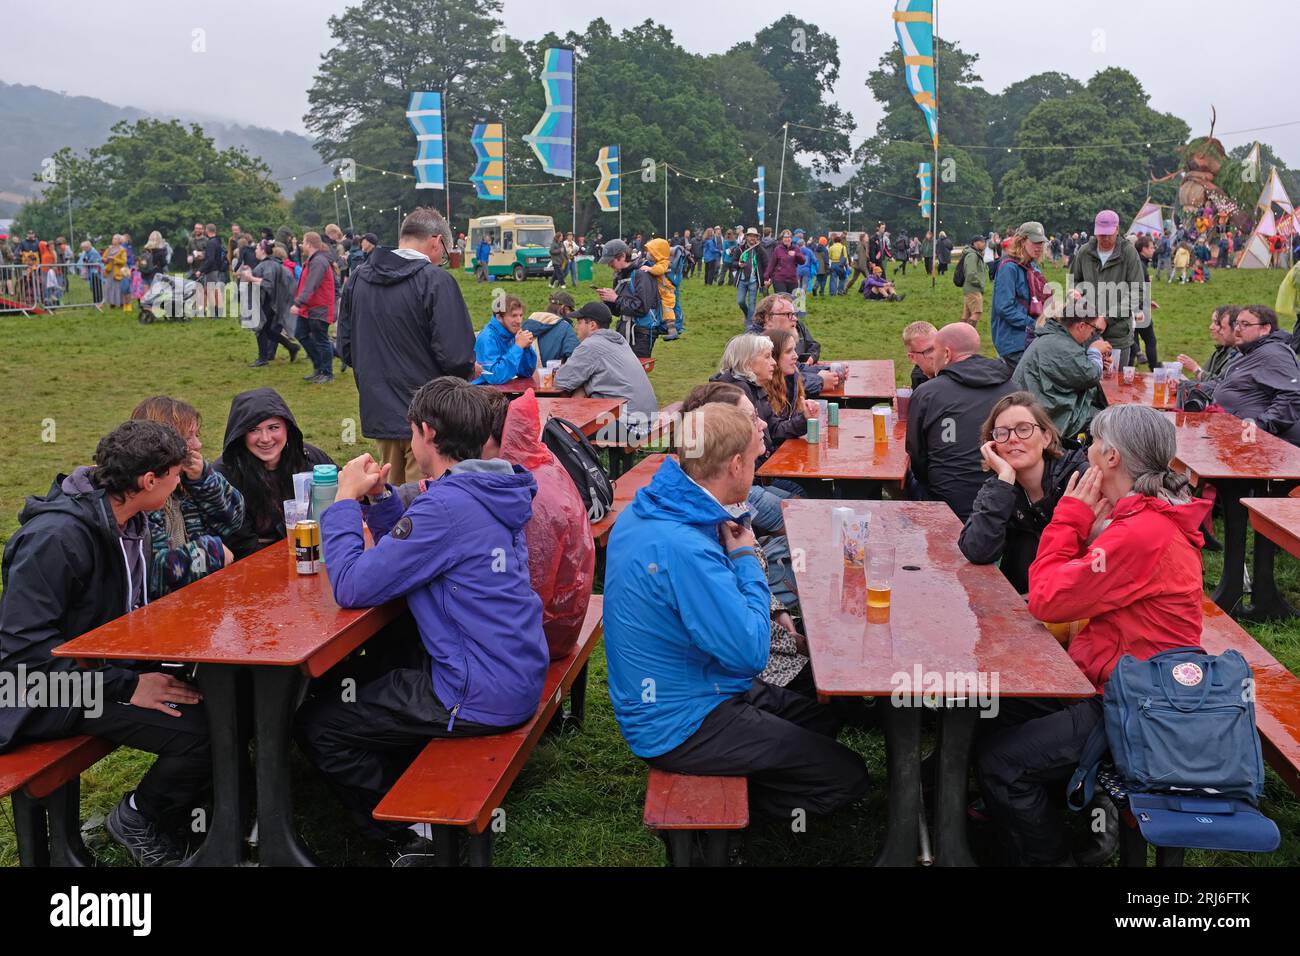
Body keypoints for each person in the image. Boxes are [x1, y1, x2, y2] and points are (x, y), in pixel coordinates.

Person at [297, 378, 548, 865]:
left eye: (412, 432)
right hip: (513, 672)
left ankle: (410, 838)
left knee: (321, 723)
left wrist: (345, 502)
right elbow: (419, 553)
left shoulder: (448, 505)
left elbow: (350, 585)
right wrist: (383, 499)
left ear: (427, 433)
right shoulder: (489, 485)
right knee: (374, 671)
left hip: (477, 694)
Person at [603, 400, 871, 820]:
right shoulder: (684, 546)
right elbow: (750, 653)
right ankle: (713, 822)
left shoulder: (654, 507)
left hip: (696, 685)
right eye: (752, 459)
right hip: (679, 721)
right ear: (733, 465)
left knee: (821, 719)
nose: (756, 466)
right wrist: (745, 561)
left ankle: (748, 779)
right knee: (848, 776)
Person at [977, 405, 1210, 866]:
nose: (1086, 453)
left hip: (1139, 706)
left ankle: (1054, 856)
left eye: (1093, 444)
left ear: (1113, 458)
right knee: (997, 707)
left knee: (1001, 764)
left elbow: (1047, 599)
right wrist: (1091, 530)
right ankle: (1057, 819)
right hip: (1123, 683)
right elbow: (1082, 586)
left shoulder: (1141, 531)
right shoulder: (1141, 517)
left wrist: (1070, 517)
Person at [0, 420, 211, 866]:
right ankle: (139, 818)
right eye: (175, 475)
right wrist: (127, 686)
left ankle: (193, 816)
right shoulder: (54, 540)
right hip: (43, 693)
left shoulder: (127, 517)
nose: (178, 485)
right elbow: (24, 662)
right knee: (206, 734)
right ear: (148, 480)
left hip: (99, 672)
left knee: (223, 702)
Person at [338, 208, 474, 484]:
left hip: (381, 410)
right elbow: (456, 356)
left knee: (391, 499)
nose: (442, 261)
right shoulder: (437, 281)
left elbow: (346, 348)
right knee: (424, 501)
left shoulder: (357, 279)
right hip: (429, 419)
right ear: (436, 242)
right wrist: (471, 369)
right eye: (445, 255)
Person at [479, 389, 594, 659]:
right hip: (563, 614)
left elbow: (528, 591)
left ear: (487, 438)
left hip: (548, 634)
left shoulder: (524, 491)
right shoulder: (536, 460)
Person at [958, 392, 1088, 594]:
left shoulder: (1078, 477)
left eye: (1023, 429)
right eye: (1002, 433)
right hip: (1020, 605)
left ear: (1046, 437)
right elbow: (977, 550)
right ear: (993, 445)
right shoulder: (999, 487)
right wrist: (1005, 480)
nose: (1012, 439)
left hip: (1072, 603)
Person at [127, 395, 244, 599]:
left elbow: (234, 520)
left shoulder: (188, 479)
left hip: (199, 598)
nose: (198, 444)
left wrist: (204, 481)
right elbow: (153, 574)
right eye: (189, 437)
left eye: (197, 434)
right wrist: (211, 554)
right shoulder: (142, 495)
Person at [906, 323, 1018, 521]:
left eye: (934, 352)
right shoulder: (1013, 389)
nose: (932, 358)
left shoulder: (927, 394)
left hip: (945, 504)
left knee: (906, 479)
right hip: (1003, 499)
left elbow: (917, 458)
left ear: (947, 353)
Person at [213, 388, 335, 559]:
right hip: (258, 566)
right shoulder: (225, 474)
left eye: (273, 427)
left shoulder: (309, 458)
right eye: (254, 430)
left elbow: (346, 499)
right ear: (241, 434)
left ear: (287, 427)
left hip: (319, 553)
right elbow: (241, 544)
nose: (265, 438)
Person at [553, 301, 659, 436]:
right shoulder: (618, 340)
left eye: (579, 322)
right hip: (647, 418)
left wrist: (579, 382)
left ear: (592, 325)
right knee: (585, 392)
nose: (576, 327)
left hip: (629, 424)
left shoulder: (590, 345)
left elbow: (561, 381)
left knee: (563, 429)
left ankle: (577, 454)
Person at [1011, 306, 1110, 445]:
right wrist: (1094, 352)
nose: (1092, 335)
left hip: (1039, 407)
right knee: (1108, 419)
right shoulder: (1062, 345)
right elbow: (1090, 375)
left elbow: (1076, 371)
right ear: (1082, 326)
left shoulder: (1057, 338)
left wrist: (1093, 360)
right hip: (1048, 416)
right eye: (1093, 329)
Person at [1211, 305, 1300, 445]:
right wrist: (1192, 387)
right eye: (1237, 324)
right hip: (1234, 436)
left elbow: (1292, 396)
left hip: (1265, 447)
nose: (1237, 329)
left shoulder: (1274, 354)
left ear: (1265, 329)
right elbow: (1224, 384)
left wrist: (1259, 426)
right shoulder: (1250, 352)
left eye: (1245, 324)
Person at [1070, 210, 1144, 369]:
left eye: (1108, 234)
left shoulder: (1128, 253)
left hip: (1117, 336)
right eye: (1101, 234)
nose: (1104, 238)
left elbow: (1136, 292)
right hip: (1086, 332)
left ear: (1117, 229)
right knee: (1086, 383)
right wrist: (1077, 293)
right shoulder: (1084, 252)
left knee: (1114, 387)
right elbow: (1075, 280)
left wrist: (1107, 317)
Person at [991, 222, 1050, 369]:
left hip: (1031, 338)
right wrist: (1035, 325)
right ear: (1022, 241)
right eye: (1035, 242)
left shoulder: (1032, 266)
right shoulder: (1009, 268)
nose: (1039, 247)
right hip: (1013, 343)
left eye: (1041, 243)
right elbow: (1004, 308)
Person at [597, 238, 661, 359]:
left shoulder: (642, 274)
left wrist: (616, 298)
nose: (609, 265)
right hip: (623, 329)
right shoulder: (619, 276)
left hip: (641, 333)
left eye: (611, 261)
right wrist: (608, 300)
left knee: (636, 373)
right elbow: (618, 311)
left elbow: (642, 308)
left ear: (622, 256)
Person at [289, 232, 336, 384]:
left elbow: (312, 284)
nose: (302, 244)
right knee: (301, 334)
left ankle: (327, 372)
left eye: (303, 241)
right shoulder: (313, 260)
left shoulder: (319, 262)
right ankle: (319, 367)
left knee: (321, 340)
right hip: (310, 307)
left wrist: (298, 303)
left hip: (319, 307)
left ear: (309, 243)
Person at [472, 293, 538, 386]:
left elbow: (526, 373)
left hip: (505, 391)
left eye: (521, 315)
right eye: (514, 316)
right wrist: (518, 347)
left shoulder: (512, 335)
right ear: (499, 317)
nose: (519, 321)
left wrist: (525, 349)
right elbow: (494, 377)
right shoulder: (487, 338)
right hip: (482, 393)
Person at [1176, 305, 1241, 390]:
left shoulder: (1241, 355)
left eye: (1217, 323)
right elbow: (1203, 383)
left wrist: (1196, 369)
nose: (1211, 327)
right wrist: (1182, 385)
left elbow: (1218, 386)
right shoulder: (1221, 350)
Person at [1130, 235, 1160, 369]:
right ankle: (1154, 368)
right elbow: (1138, 288)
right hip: (1139, 308)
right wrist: (1142, 306)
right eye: (1152, 247)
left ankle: (1130, 365)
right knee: (1150, 340)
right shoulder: (1139, 265)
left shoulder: (1137, 263)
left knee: (1132, 339)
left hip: (1133, 307)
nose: (1154, 250)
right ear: (1143, 249)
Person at [732, 227, 769, 324]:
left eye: (754, 236)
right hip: (742, 280)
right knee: (740, 302)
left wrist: (766, 278)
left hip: (754, 281)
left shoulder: (760, 249)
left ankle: (749, 325)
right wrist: (738, 264)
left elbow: (766, 264)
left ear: (757, 237)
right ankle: (748, 314)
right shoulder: (740, 248)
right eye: (750, 236)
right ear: (747, 237)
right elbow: (733, 262)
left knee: (752, 304)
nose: (752, 238)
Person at [763, 230, 805, 294]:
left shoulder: (796, 249)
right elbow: (771, 264)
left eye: (788, 237)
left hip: (792, 280)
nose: (786, 239)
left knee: (791, 301)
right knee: (782, 300)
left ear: (791, 238)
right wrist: (766, 277)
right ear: (782, 239)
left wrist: (796, 254)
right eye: (785, 237)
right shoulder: (777, 249)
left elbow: (803, 261)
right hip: (779, 279)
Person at [903, 320, 939, 389]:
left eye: (938, 346)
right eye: (929, 351)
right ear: (912, 358)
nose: (937, 354)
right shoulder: (918, 377)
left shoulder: (955, 372)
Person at [960, 235, 986, 326]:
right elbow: (971, 274)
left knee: (966, 315)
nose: (984, 244)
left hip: (969, 288)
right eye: (982, 242)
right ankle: (968, 335)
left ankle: (960, 335)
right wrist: (980, 283)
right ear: (976, 243)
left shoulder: (973, 254)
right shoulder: (972, 255)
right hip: (973, 288)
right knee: (977, 312)